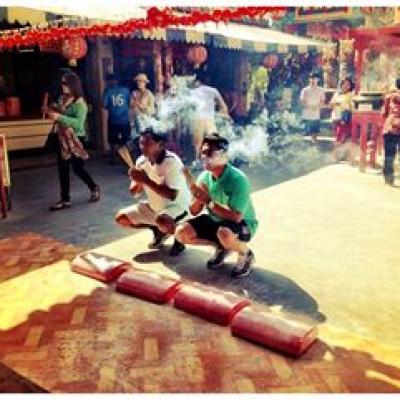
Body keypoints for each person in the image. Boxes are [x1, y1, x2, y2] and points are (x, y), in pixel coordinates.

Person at [175, 133, 258, 278]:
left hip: (243, 224)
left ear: (223, 156)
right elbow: (194, 211)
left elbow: (236, 217)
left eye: (210, 153)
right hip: (217, 222)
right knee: (181, 233)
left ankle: (246, 254)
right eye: (203, 152)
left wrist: (208, 201)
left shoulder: (238, 179)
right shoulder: (204, 177)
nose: (204, 157)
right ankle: (223, 246)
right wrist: (197, 196)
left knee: (224, 233)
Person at [115, 128, 191, 256]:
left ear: (160, 145)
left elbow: (172, 195)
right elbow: (134, 193)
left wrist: (146, 180)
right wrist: (137, 181)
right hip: (155, 207)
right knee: (121, 218)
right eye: (141, 143)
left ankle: (179, 238)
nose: (142, 147)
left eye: (147, 143)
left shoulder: (172, 162)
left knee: (163, 220)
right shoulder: (141, 161)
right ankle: (159, 230)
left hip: (177, 207)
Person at [47, 72, 100, 211]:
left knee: (78, 168)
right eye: (62, 83)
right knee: (62, 169)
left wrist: (59, 117)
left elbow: (78, 124)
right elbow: (61, 113)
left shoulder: (80, 104)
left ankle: (94, 187)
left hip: (76, 138)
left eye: (65, 83)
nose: (62, 86)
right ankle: (65, 199)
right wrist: (52, 110)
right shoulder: (62, 99)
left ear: (72, 85)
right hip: (62, 137)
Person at [190, 70, 230, 165]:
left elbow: (189, 108)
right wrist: (225, 115)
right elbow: (223, 106)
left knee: (198, 144)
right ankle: (214, 161)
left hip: (198, 118)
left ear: (197, 80)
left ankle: (198, 161)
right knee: (214, 142)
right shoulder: (213, 90)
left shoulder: (193, 92)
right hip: (209, 119)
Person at [102, 73, 133, 165]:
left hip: (113, 119)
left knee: (112, 140)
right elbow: (130, 103)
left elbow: (104, 104)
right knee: (125, 140)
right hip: (124, 119)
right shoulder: (126, 90)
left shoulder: (107, 91)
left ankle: (113, 158)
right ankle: (126, 159)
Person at [330, 78, 355, 163]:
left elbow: (352, 107)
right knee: (338, 137)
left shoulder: (351, 95)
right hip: (335, 117)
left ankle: (339, 156)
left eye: (348, 84)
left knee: (342, 138)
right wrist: (333, 104)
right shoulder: (336, 94)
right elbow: (331, 105)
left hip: (344, 119)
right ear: (341, 85)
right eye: (345, 84)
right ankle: (337, 155)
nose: (346, 86)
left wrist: (345, 106)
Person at [381, 77, 400, 186]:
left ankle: (388, 179)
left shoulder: (390, 97)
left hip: (390, 127)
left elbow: (384, 113)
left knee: (389, 155)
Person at [300, 72, 325, 143]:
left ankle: (314, 139)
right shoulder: (305, 90)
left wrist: (317, 107)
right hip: (307, 111)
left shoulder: (321, 90)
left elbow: (322, 101)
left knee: (315, 127)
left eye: (314, 78)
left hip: (316, 110)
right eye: (311, 78)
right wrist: (309, 107)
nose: (312, 80)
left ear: (318, 80)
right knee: (306, 129)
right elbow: (302, 101)